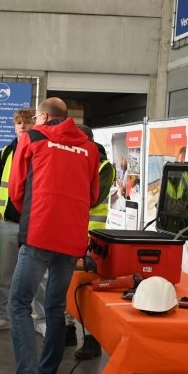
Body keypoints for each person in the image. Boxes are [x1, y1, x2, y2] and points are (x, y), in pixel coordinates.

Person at [0, 98, 98, 374]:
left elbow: (16, 191)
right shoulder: (89, 147)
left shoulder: (33, 138)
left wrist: (38, 210)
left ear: (42, 116)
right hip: (71, 240)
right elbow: (93, 194)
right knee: (55, 308)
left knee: (18, 305)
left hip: (40, 233)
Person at [0, 109, 34, 332]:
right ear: (14, 126)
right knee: (6, 274)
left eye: (27, 122)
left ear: (34, 124)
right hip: (9, 223)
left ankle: (41, 319)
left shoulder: (41, 150)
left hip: (34, 225)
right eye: (19, 122)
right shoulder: (5, 153)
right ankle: (4, 317)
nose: (23, 126)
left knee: (38, 276)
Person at [74, 125, 116, 361]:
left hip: (93, 237)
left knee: (88, 289)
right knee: (69, 286)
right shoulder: (75, 161)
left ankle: (91, 340)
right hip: (72, 233)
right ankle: (68, 330)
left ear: (90, 141)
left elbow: (93, 198)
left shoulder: (105, 167)